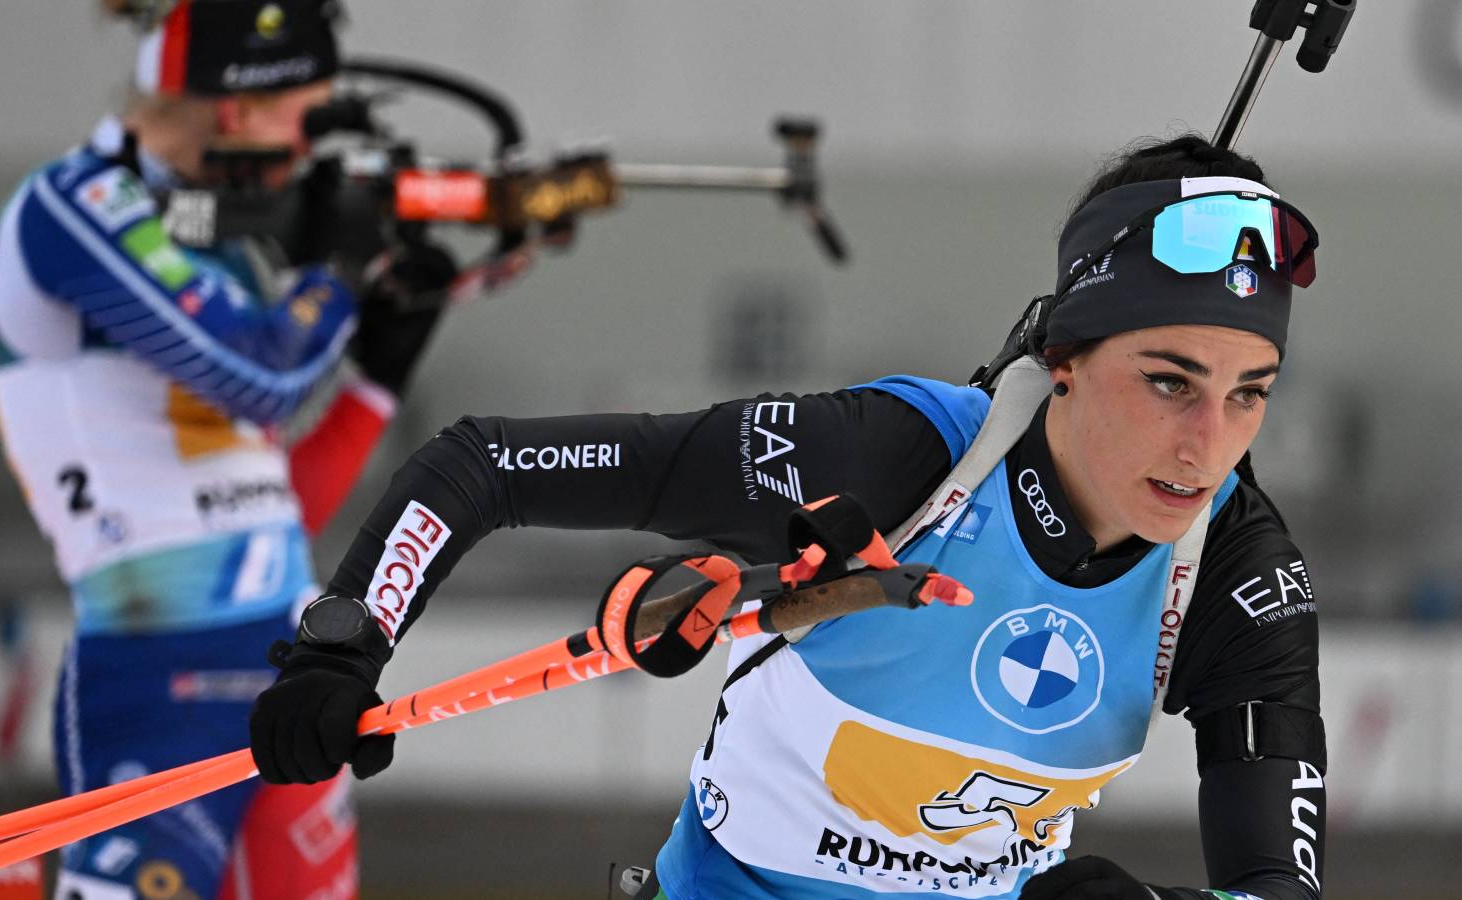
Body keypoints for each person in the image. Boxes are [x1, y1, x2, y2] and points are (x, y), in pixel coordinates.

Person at [248, 135, 1328, 900]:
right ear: (1064, 360)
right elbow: (487, 464)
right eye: (1169, 381)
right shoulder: (898, 456)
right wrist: (345, 641)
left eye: (1250, 392)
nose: (1207, 444)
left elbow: (1276, 890)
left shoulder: (1235, 570)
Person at [0, 1, 454, 896]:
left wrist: (374, 381)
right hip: (158, 670)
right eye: (308, 116)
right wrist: (343, 271)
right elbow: (263, 373)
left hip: (291, 655)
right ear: (238, 111)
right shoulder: (70, 204)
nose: (314, 148)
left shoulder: (227, 251)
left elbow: (269, 512)